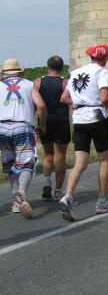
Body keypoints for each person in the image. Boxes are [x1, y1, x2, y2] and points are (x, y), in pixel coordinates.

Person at [58, 44, 108, 221]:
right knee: (105, 159)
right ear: (106, 58)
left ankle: (68, 196)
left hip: (79, 118)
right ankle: (102, 200)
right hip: (96, 115)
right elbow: (104, 97)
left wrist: (80, 101)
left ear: (91, 56)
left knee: (80, 162)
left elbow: (64, 98)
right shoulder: (102, 72)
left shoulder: (76, 72)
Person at [1, 59, 46, 218]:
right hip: (22, 127)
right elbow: (41, 105)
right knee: (27, 163)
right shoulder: (29, 85)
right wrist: (42, 125)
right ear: (20, 71)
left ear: (4, 73)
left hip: (2, 128)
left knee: (10, 163)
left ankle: (16, 203)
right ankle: (21, 192)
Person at [33, 55, 70, 201]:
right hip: (61, 120)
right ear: (61, 67)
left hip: (45, 120)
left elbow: (35, 103)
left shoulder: (38, 82)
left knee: (48, 153)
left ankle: (47, 182)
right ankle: (58, 191)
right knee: (61, 156)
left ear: (48, 66)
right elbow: (70, 103)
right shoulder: (65, 82)